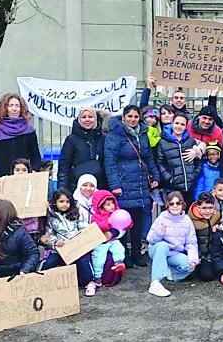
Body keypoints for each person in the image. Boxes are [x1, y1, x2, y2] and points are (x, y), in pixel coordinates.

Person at [103, 105, 161, 268]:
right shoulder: (114, 135)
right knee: (122, 221)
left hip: (140, 182)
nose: (133, 119)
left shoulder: (143, 133)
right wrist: (115, 184)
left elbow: (149, 157)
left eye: (136, 116)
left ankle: (136, 253)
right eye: (129, 116)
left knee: (138, 221)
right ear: (123, 117)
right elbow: (109, 161)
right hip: (124, 182)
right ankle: (124, 254)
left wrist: (155, 175)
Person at [146, 192, 199, 297]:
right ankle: (155, 283)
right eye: (171, 203)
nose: (175, 206)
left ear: (182, 204)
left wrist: (193, 259)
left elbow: (191, 242)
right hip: (157, 250)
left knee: (190, 265)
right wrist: (159, 232)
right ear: (167, 205)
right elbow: (150, 239)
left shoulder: (187, 220)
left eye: (178, 203)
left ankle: (168, 272)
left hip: (174, 253)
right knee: (162, 246)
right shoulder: (162, 217)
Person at [41, 188, 93, 288]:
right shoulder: (51, 217)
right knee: (48, 265)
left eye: (67, 202)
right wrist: (55, 242)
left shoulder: (76, 213)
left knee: (83, 263)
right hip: (60, 248)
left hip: (77, 246)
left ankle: (89, 282)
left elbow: (84, 228)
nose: (65, 204)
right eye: (61, 201)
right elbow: (49, 234)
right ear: (55, 202)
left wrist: (78, 239)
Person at [85, 190, 128, 296]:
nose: (112, 206)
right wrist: (107, 223)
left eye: (113, 203)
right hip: (101, 242)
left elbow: (125, 224)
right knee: (98, 259)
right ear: (101, 206)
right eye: (108, 204)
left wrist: (128, 222)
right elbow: (96, 226)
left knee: (119, 249)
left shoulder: (117, 213)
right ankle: (97, 277)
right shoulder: (97, 215)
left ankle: (118, 262)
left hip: (113, 240)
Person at [57, 107, 108, 191]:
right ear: (79, 120)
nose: (87, 120)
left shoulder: (104, 138)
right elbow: (64, 166)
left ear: (95, 119)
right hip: (77, 187)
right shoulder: (71, 140)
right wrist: (62, 190)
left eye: (90, 117)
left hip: (101, 187)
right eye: (84, 117)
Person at [156, 113, 202, 205]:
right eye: (177, 123)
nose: (179, 126)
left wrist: (194, 174)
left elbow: (198, 160)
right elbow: (159, 163)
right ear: (172, 123)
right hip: (172, 188)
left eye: (182, 124)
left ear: (186, 126)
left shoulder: (190, 140)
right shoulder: (163, 142)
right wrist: (170, 178)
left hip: (190, 186)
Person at [188, 193, 221, 282]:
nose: (207, 211)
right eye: (204, 208)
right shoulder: (190, 220)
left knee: (208, 276)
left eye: (210, 208)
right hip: (197, 254)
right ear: (198, 208)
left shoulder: (217, 216)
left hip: (210, 255)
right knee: (190, 275)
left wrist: (219, 225)